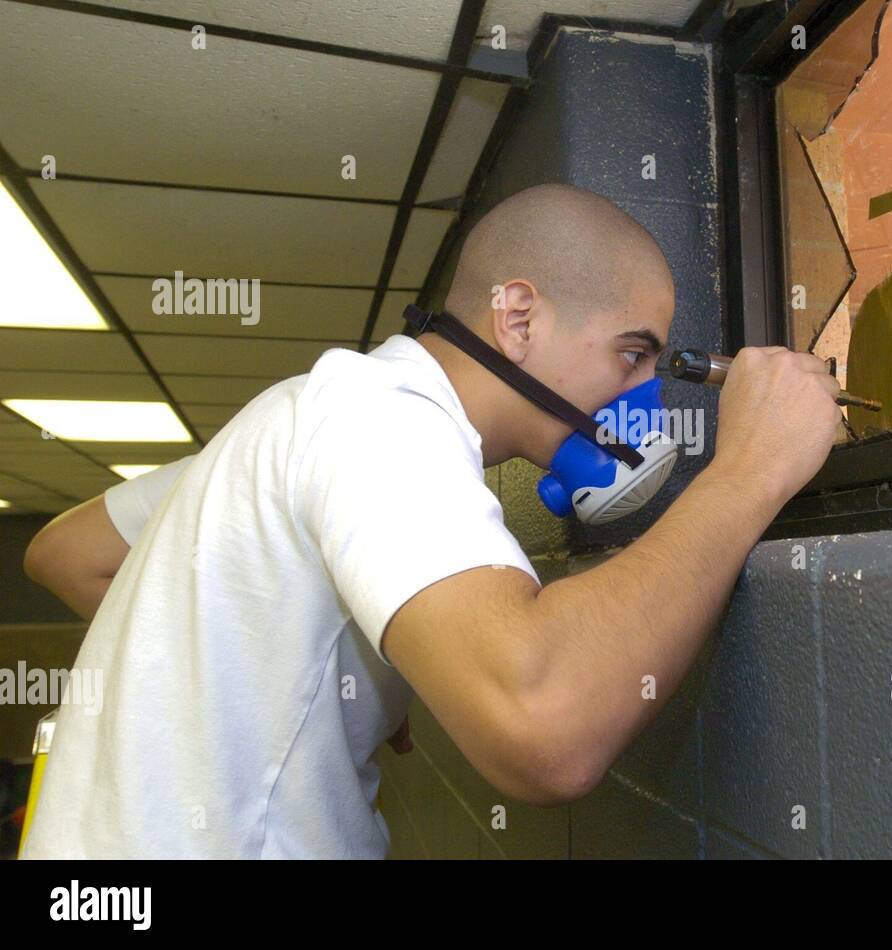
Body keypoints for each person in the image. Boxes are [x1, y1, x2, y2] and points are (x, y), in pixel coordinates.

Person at [20, 182, 842, 858]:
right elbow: (544, 726)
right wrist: (751, 470)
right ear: (517, 318)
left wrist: (328, 658)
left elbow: (76, 553)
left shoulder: (300, 413)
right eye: (631, 355)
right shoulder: (379, 420)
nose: (641, 398)